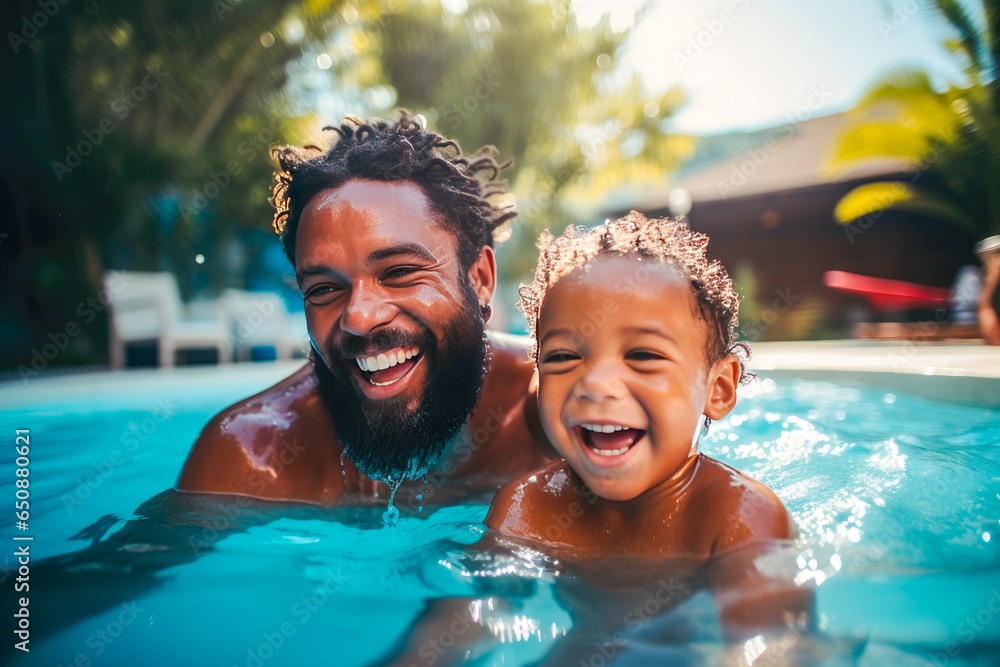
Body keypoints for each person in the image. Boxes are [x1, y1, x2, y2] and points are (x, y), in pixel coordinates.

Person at [177, 111, 553, 506]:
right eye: (324, 289)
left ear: (480, 278)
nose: (358, 317)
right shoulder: (250, 459)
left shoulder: (550, 411)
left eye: (399, 272)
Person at [485, 211, 796, 558]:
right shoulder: (525, 510)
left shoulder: (740, 520)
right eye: (563, 357)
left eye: (643, 355)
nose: (597, 384)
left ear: (718, 389)